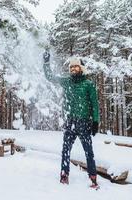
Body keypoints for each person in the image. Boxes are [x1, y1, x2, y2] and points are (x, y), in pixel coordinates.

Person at [43, 51, 100, 188]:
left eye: (76, 67)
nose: (73, 69)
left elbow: (94, 104)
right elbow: (50, 77)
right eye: (71, 67)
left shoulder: (88, 84)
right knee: (65, 150)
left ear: (81, 68)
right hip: (70, 122)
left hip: (84, 122)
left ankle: (93, 178)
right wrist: (46, 63)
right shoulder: (67, 82)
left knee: (88, 151)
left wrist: (95, 122)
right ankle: (64, 175)